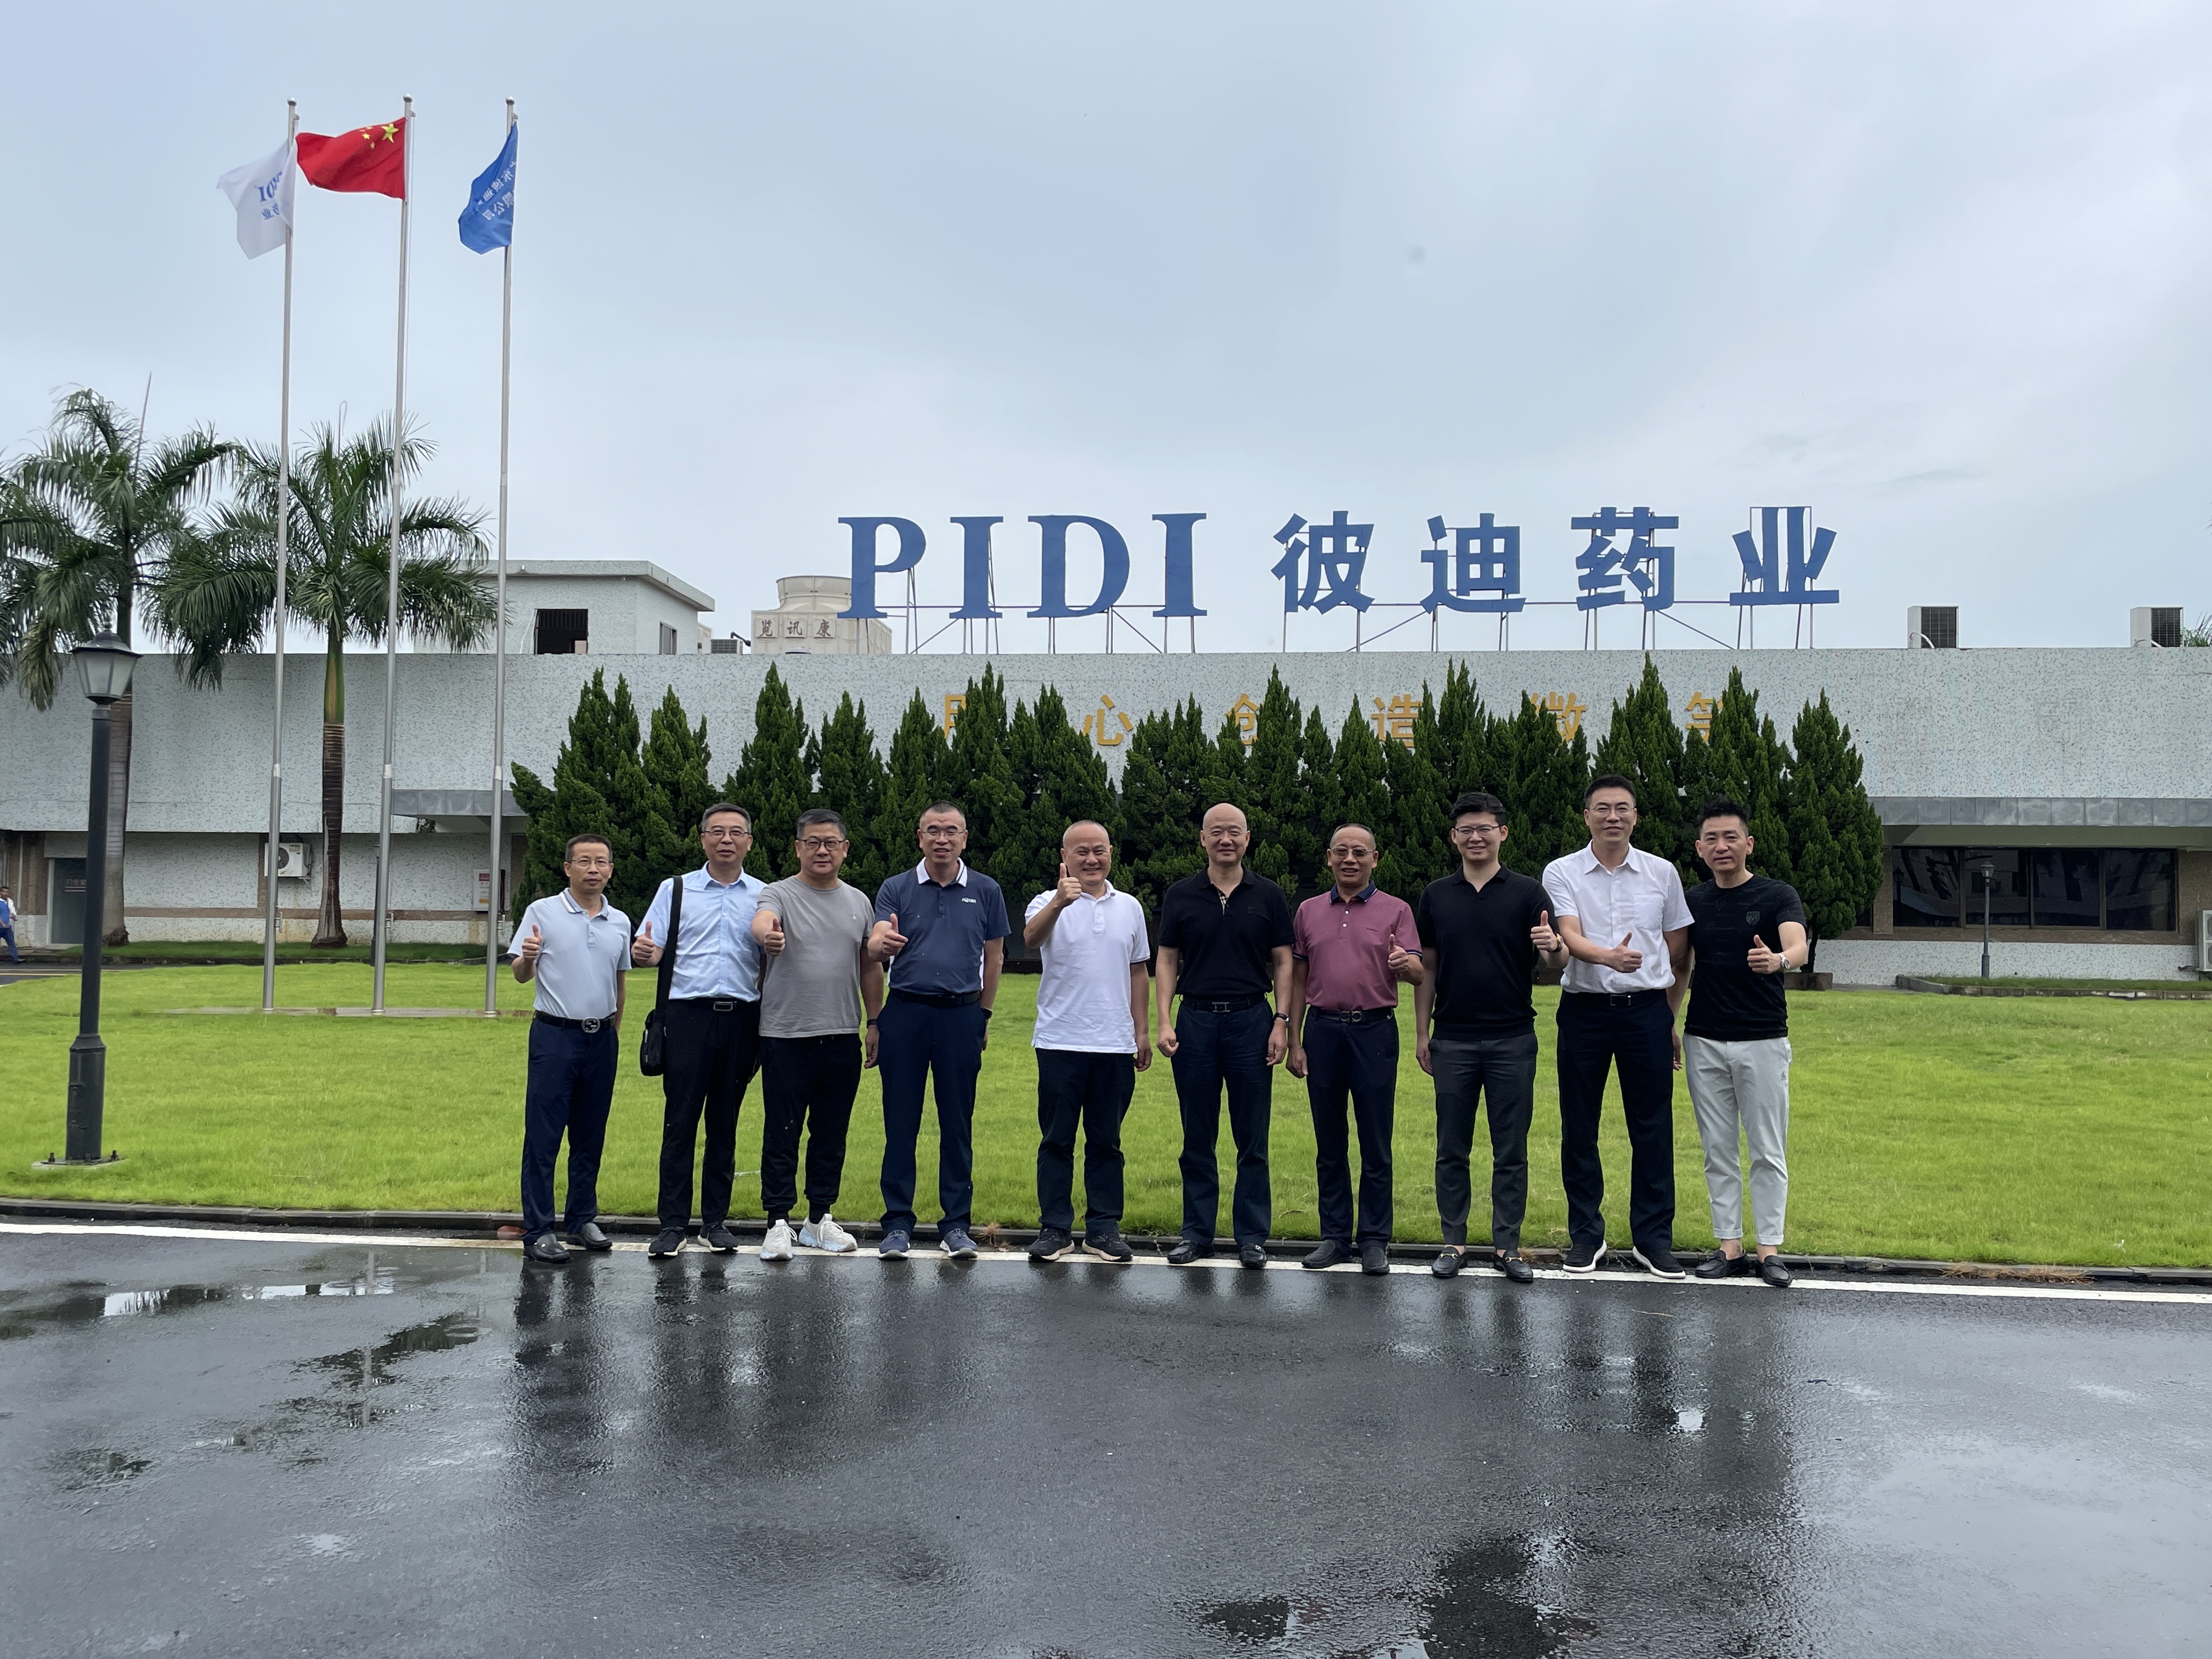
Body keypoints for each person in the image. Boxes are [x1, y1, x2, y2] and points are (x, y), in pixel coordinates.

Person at [1542, 774, 1695, 1278]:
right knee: (1579, 1126)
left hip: (1647, 1012)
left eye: (1623, 808)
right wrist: (1609, 958)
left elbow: (1678, 952)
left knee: (1652, 1127)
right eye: (1603, 808)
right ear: (1586, 816)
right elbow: (1568, 934)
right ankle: (1586, 1236)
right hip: (1584, 1011)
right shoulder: (1562, 871)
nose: (1613, 816)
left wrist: (1667, 1016)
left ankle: (1654, 1239)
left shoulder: (1662, 873)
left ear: (1636, 817)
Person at [1413, 792, 1569, 1283]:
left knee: (1511, 1149)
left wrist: (1554, 946)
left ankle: (1508, 1246)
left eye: (1485, 828)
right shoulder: (1437, 895)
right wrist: (1422, 1032)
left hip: (1512, 1039)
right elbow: (1428, 967)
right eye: (1467, 830)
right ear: (1454, 837)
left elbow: (1557, 959)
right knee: (1451, 1148)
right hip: (1452, 1039)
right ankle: (1453, 1242)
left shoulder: (1527, 893)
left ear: (1503, 832)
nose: (1476, 837)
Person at [1154, 803, 1294, 1269]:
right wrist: (1164, 1020)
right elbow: (1167, 959)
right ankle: (1197, 1234)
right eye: (1216, 832)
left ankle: (1251, 1236)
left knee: (1252, 1136)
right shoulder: (1181, 894)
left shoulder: (1268, 895)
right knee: (1197, 1134)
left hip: (1251, 1020)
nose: (1226, 840)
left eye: (1234, 832)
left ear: (1248, 838)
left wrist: (1281, 1021)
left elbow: (1284, 961)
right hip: (1195, 1020)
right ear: (1203, 839)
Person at [868, 802, 1009, 1261]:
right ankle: (897, 1223)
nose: (942, 839)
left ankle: (956, 1225)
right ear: (920, 837)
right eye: (933, 831)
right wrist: (880, 943)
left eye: (951, 831)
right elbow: (876, 938)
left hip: (961, 1015)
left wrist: (983, 1014)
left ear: (965, 838)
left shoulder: (985, 889)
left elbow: (995, 956)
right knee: (900, 1122)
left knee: (957, 1123)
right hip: (905, 1013)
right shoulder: (896, 887)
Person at [1678, 798, 1808, 1290]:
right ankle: (1729, 1246)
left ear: (1748, 843)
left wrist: (1779, 961)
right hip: (1704, 1039)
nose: (1722, 846)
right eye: (1711, 839)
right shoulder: (1693, 900)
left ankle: (1769, 1249)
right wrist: (1669, 1022)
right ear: (1699, 849)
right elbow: (1682, 965)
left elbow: (1798, 945)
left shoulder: (1777, 895)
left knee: (1767, 1149)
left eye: (1731, 837)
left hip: (1763, 1038)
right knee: (1718, 1148)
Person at [1283, 824, 1421, 1276]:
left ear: (1374, 859)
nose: (1350, 859)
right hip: (1323, 1030)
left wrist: (1405, 964)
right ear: (1328, 857)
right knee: (1329, 1141)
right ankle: (1335, 1236)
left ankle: (1375, 1239)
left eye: (1359, 852)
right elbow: (1299, 978)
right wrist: (1295, 1040)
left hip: (1374, 1032)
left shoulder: (1397, 910)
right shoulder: (1308, 911)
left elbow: (1419, 972)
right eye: (1341, 851)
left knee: (1375, 1140)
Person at [748, 809, 884, 1263]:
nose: (821, 850)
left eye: (830, 843)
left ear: (845, 849)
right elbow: (762, 921)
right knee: (781, 1131)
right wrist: (767, 936)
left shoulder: (858, 901)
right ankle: (777, 1222)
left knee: (831, 1133)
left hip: (841, 1033)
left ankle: (819, 1218)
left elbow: (869, 966)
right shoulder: (779, 893)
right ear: (797, 848)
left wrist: (874, 1021)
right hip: (785, 1034)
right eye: (812, 842)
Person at [633, 803, 766, 1259]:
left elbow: (773, 956)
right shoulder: (675, 890)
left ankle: (715, 1222)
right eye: (717, 832)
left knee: (725, 1122)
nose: (726, 840)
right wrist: (645, 953)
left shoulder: (765, 895)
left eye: (736, 832)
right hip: (686, 1017)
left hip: (743, 1018)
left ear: (749, 841)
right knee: (680, 1121)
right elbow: (652, 947)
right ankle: (672, 1224)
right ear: (703, 838)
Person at [1022, 821, 1153, 1266]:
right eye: (1081, 851)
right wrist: (1060, 901)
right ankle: (1054, 1228)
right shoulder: (1046, 901)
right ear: (1065, 856)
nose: (1091, 859)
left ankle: (1104, 1228)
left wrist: (1141, 1031)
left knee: (1106, 1141)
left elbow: (1138, 970)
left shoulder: (1129, 907)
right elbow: (1030, 939)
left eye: (1099, 850)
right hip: (1060, 1040)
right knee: (1056, 1140)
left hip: (1114, 1043)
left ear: (1111, 853)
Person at [510, 834, 629, 1266]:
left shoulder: (619, 921)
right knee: (544, 1136)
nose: (593, 869)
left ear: (610, 869)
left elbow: (619, 981)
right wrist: (528, 957)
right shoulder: (542, 912)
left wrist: (613, 1032)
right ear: (568, 868)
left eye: (601, 861)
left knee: (590, 1134)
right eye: (584, 861)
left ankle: (581, 1220)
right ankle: (539, 1229)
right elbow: (521, 975)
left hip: (601, 1038)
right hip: (555, 1036)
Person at [0, 885, 17, 963]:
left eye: (7, 892)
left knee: (11, 943)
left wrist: (13, 917)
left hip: (7, 927)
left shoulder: (9, 902)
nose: (6, 894)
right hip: (1, 926)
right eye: (4, 892)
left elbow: (9, 912)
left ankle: (16, 959)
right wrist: (2, 923)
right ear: (1, 893)